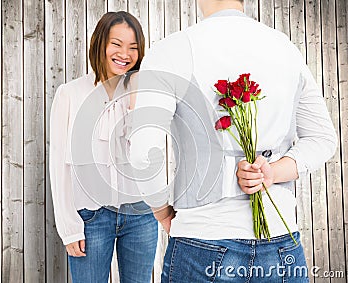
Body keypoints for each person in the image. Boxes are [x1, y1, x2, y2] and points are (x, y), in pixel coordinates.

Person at [128, 0, 337, 282]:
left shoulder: (173, 49)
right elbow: (323, 138)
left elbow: (143, 152)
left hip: (202, 240)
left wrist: (161, 210)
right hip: (282, 242)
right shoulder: (285, 47)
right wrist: (271, 173)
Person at [49, 11, 157, 283]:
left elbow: (146, 157)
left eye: (133, 47)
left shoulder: (142, 93)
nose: (125, 54)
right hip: (90, 218)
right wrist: (69, 228)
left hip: (141, 215)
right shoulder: (70, 94)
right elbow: (59, 165)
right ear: (100, 44)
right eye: (117, 44)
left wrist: (135, 99)